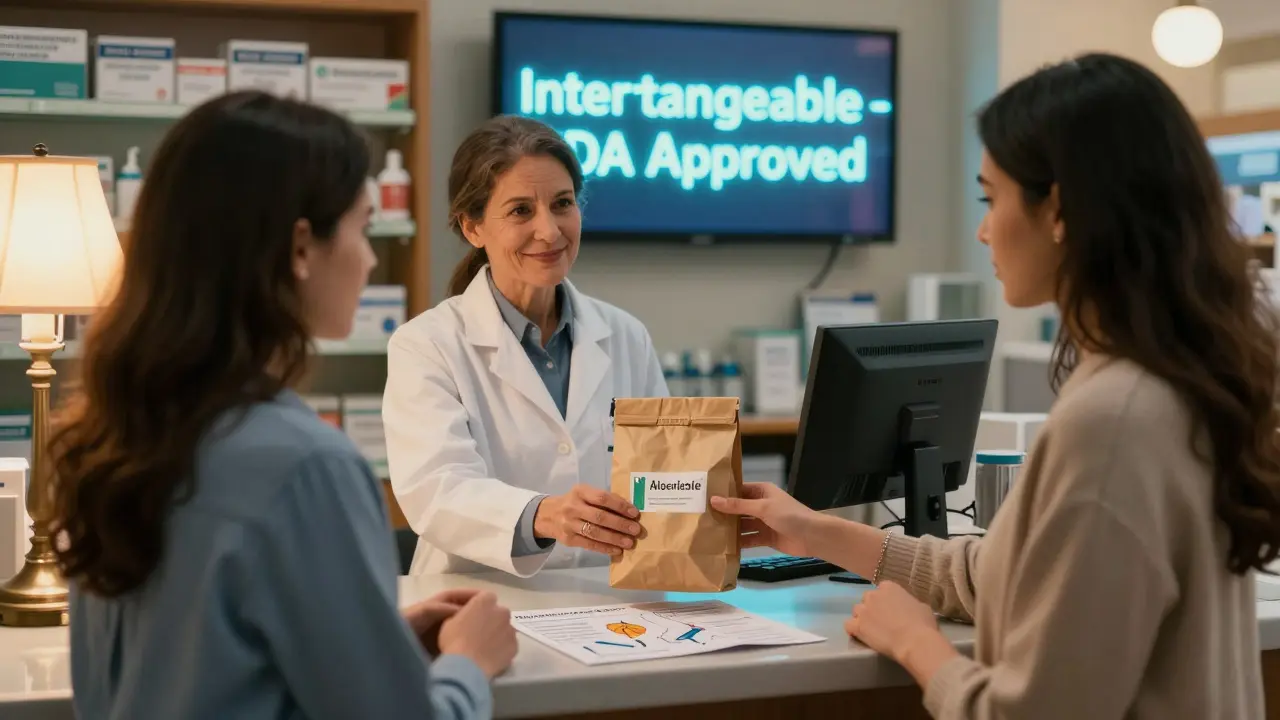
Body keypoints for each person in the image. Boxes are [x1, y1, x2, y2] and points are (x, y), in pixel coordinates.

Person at [713, 53, 1280, 718]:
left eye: (991, 199)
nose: (983, 229)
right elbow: (995, 579)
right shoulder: (1173, 381)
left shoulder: (1113, 420)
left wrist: (918, 645)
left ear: (1060, 209)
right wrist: (814, 532)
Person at [50, 91, 517, 720]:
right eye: (362, 227)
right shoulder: (304, 465)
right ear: (301, 247)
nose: (371, 258)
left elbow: (193, 665)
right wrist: (468, 662)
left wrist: (372, 640)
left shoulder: (114, 437)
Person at [383, 115, 667, 577]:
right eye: (520, 211)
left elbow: (660, 476)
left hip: (610, 603)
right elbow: (437, 491)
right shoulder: (427, 345)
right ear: (472, 228)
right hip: (481, 606)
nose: (550, 231)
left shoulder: (626, 335)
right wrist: (544, 515)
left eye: (562, 204)